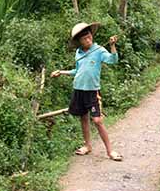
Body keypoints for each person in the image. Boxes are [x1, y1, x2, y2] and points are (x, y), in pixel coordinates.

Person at [51, 22, 123, 161]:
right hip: (78, 89)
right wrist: (61, 72)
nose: (88, 39)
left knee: (97, 121)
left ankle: (110, 151)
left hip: (92, 92)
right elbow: (77, 71)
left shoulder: (99, 50)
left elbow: (113, 60)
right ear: (79, 41)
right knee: (83, 118)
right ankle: (88, 146)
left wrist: (112, 45)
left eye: (89, 36)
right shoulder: (79, 53)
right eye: (84, 38)